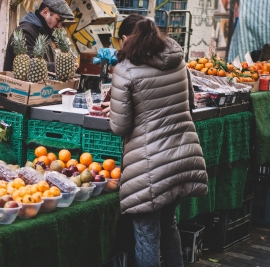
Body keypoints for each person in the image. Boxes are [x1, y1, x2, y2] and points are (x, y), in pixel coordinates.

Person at [102, 14, 208, 267]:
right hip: (183, 155)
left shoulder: (125, 70)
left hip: (150, 164)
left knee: (147, 234)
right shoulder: (178, 62)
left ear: (127, 38)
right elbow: (187, 104)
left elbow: (120, 126)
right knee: (168, 224)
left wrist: (114, 110)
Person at [3, 0, 74, 73]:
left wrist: (67, 64)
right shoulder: (25, 32)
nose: (59, 26)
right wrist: (60, 66)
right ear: (46, 12)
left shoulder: (45, 32)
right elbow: (29, 66)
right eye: (58, 20)